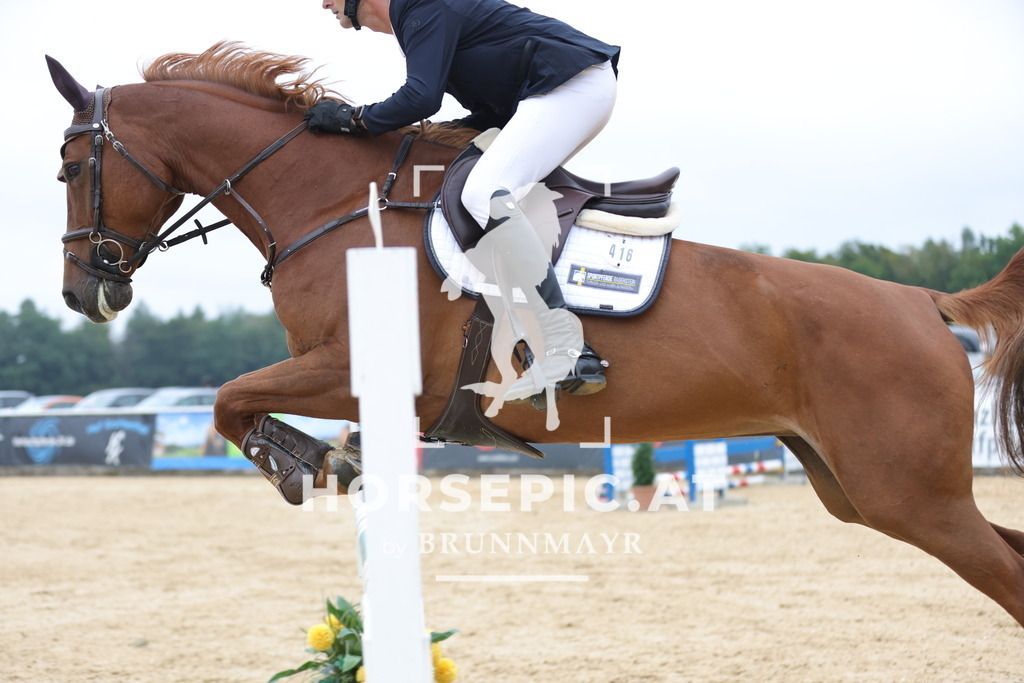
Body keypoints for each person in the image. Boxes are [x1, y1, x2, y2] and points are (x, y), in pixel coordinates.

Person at [308, 0, 618, 404]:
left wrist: (356, 119)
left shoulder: (422, 8)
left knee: (484, 194)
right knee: (474, 187)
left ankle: (564, 346)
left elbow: (421, 97)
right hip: (558, 91)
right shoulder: (416, 17)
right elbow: (483, 107)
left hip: (570, 87)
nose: (324, 3)